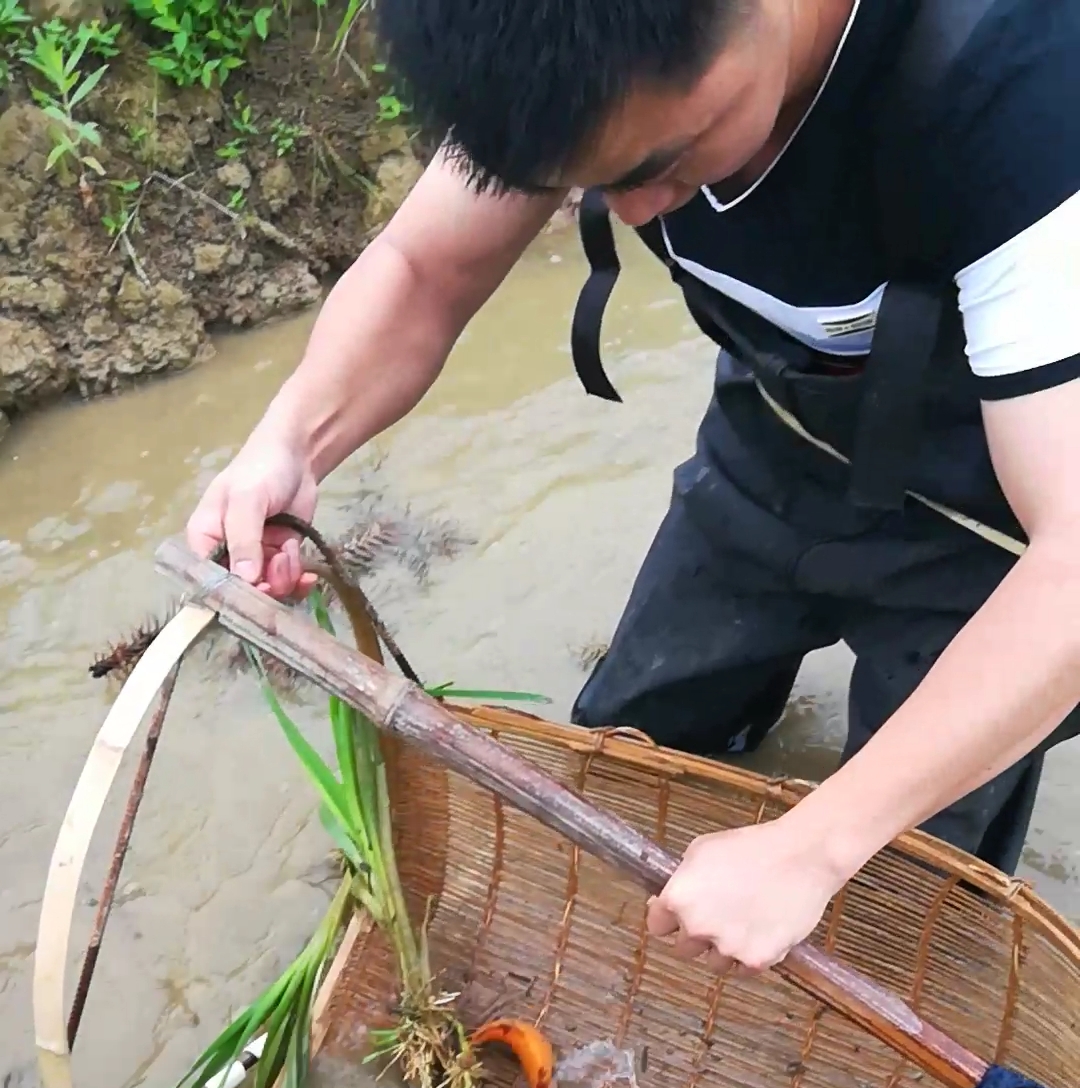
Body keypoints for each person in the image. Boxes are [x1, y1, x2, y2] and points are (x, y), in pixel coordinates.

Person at [187, 0, 1080, 977]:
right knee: (633, 749)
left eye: (660, 162)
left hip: (990, 537)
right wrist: (292, 441)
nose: (640, 210)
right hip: (776, 442)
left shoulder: (1022, 92)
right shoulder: (561, 46)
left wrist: (818, 845)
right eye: (582, 185)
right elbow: (422, 266)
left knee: (902, 906)